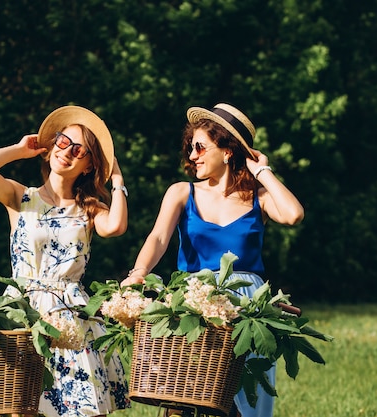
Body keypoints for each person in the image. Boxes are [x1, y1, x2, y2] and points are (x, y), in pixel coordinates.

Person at [120, 103, 304, 417]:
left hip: (248, 307)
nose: (193, 156)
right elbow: (159, 238)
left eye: (201, 147)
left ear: (228, 151)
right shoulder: (181, 192)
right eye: (191, 148)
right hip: (195, 300)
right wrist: (139, 272)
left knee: (246, 396)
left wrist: (263, 171)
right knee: (187, 391)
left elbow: (293, 214)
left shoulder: (258, 198)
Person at [0, 105, 130, 417]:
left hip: (69, 316)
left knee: (76, 407)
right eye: (61, 141)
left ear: (88, 166)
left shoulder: (90, 209)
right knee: (21, 404)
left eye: (78, 149)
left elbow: (117, 226)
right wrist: (19, 150)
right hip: (23, 310)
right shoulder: (21, 197)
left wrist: (117, 178)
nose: (66, 152)